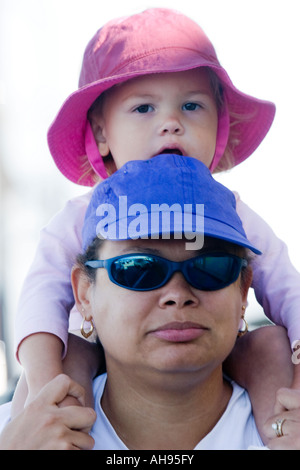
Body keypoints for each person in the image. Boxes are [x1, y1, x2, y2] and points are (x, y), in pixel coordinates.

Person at [11, 8, 300, 438]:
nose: (171, 123)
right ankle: (60, 432)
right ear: (102, 132)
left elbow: (284, 284)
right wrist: (40, 388)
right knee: (58, 369)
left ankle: (281, 430)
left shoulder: (229, 209)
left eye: (191, 105)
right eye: (144, 107)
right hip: (93, 346)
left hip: (212, 353)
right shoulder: (81, 214)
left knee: (271, 344)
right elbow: (40, 299)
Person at [1, 156, 300, 450]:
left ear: (243, 291)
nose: (177, 294)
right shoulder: (19, 434)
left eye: (211, 267)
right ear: (84, 295)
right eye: (138, 267)